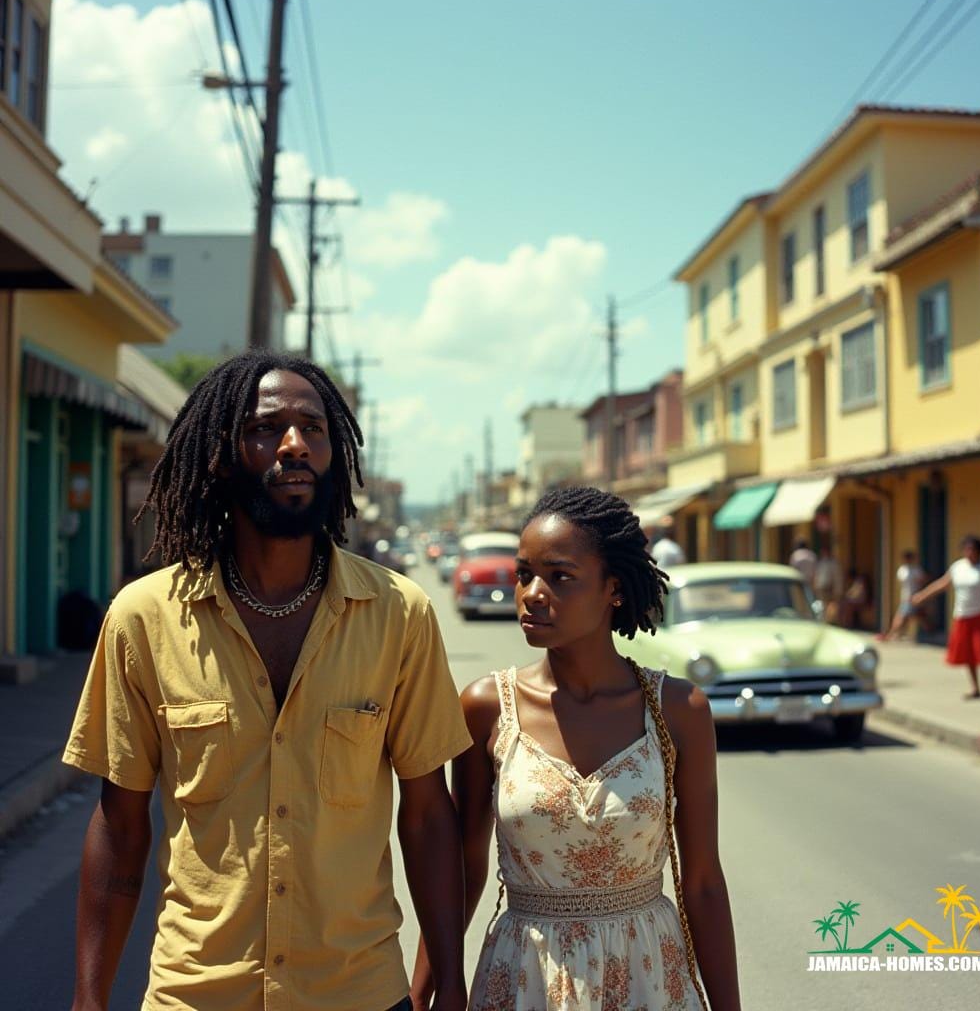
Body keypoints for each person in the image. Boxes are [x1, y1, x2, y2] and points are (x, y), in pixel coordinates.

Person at [63, 353, 471, 1011]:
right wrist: (89, 998)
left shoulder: (399, 614)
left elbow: (426, 816)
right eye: (265, 428)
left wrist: (448, 979)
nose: (295, 444)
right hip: (196, 994)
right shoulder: (144, 619)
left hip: (358, 992)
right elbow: (120, 827)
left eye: (313, 428)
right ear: (221, 457)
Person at [413, 486, 741, 1011]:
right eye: (524, 574)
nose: (532, 593)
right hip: (526, 978)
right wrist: (432, 987)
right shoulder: (486, 707)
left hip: (648, 978)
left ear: (614, 588)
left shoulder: (678, 710)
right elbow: (464, 868)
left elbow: (702, 881)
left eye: (560, 577)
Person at [912, 535, 980, 699]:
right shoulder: (957, 567)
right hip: (962, 616)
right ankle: (976, 688)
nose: (969, 553)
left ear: (978, 552)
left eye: (972, 550)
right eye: (966, 549)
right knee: (968, 653)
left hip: (979, 615)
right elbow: (942, 584)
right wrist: (922, 595)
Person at [879, 550, 928, 641]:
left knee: (901, 616)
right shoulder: (903, 570)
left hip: (914, 597)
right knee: (911, 616)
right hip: (907, 597)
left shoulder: (915, 569)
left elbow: (923, 580)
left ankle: (891, 634)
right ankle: (896, 633)